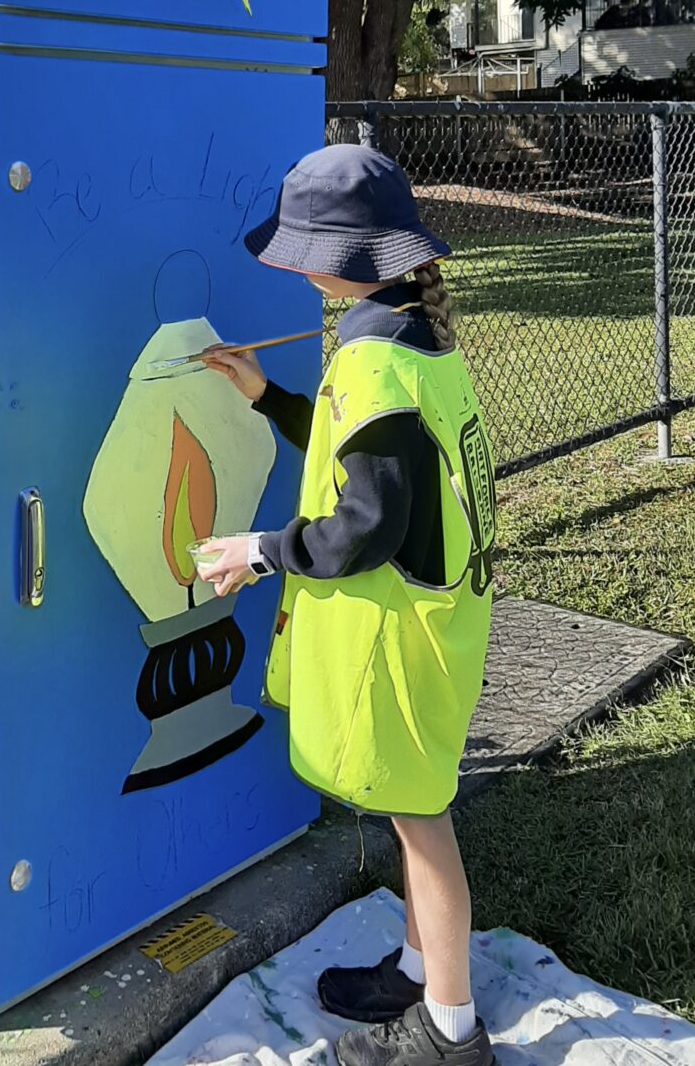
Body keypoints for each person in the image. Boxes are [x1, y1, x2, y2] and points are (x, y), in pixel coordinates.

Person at [195, 144, 497, 1066]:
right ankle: (417, 967)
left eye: (298, 250)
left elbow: (360, 525)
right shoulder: (410, 331)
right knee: (415, 811)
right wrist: (264, 398)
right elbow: (357, 452)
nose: (289, 265)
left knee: (421, 824)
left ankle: (450, 1031)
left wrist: (256, 551)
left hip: (402, 634)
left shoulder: (370, 357)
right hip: (442, 618)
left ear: (340, 257)